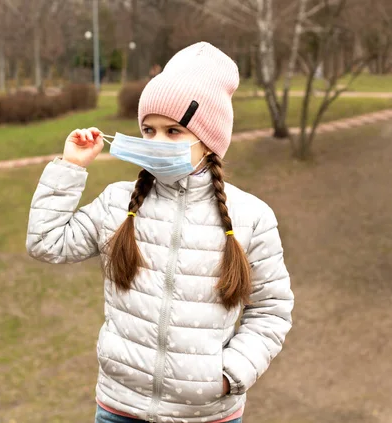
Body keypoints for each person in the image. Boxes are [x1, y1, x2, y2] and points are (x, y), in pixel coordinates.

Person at [26, 42, 294, 423]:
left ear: (209, 140)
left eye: (174, 131)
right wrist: (70, 168)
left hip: (208, 415)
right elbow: (45, 243)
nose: (156, 143)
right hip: (119, 410)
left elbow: (271, 310)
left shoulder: (251, 217)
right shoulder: (118, 203)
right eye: (148, 130)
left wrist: (227, 376)